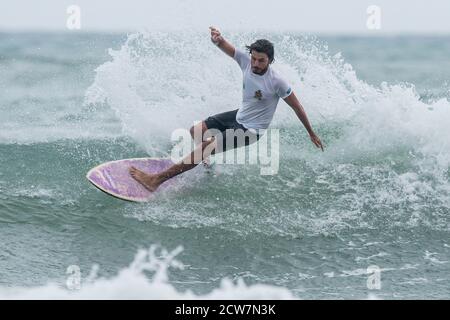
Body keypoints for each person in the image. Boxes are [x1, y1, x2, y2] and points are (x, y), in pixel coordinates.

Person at [129, 26, 324, 192]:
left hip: (251, 130)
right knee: (195, 131)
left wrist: (311, 133)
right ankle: (207, 163)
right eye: (254, 58)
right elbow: (226, 47)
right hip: (238, 116)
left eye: (261, 60)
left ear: (270, 60)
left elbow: (297, 106)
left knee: (205, 148)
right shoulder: (246, 62)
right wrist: (217, 40)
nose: (255, 64)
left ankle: (156, 180)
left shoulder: (277, 82)